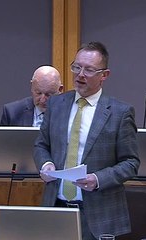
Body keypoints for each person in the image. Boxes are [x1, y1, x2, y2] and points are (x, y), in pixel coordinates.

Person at [34, 42, 140, 240]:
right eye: (76, 67)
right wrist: (46, 164)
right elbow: (41, 144)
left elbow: (131, 163)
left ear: (104, 75)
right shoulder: (57, 104)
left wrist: (98, 179)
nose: (80, 74)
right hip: (56, 208)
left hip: (99, 216)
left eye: (89, 69)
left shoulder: (120, 113)